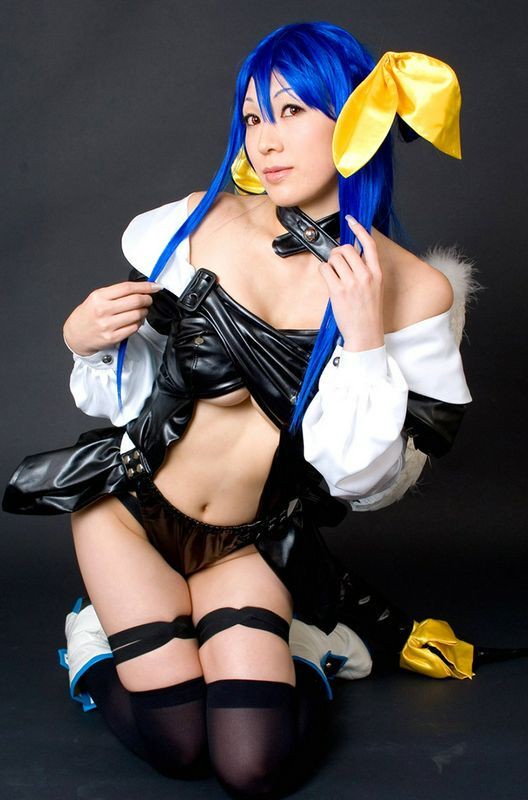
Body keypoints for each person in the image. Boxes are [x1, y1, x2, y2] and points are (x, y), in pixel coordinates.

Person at [3, 21, 474, 796]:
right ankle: (93, 642)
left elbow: (361, 484)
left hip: (246, 542)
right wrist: (82, 340)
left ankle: (303, 647)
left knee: (252, 766)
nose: (265, 141)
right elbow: (130, 391)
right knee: (178, 745)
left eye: (291, 111)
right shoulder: (198, 222)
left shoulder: (414, 292)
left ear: (357, 118)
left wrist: (362, 342)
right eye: (254, 117)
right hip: (131, 515)